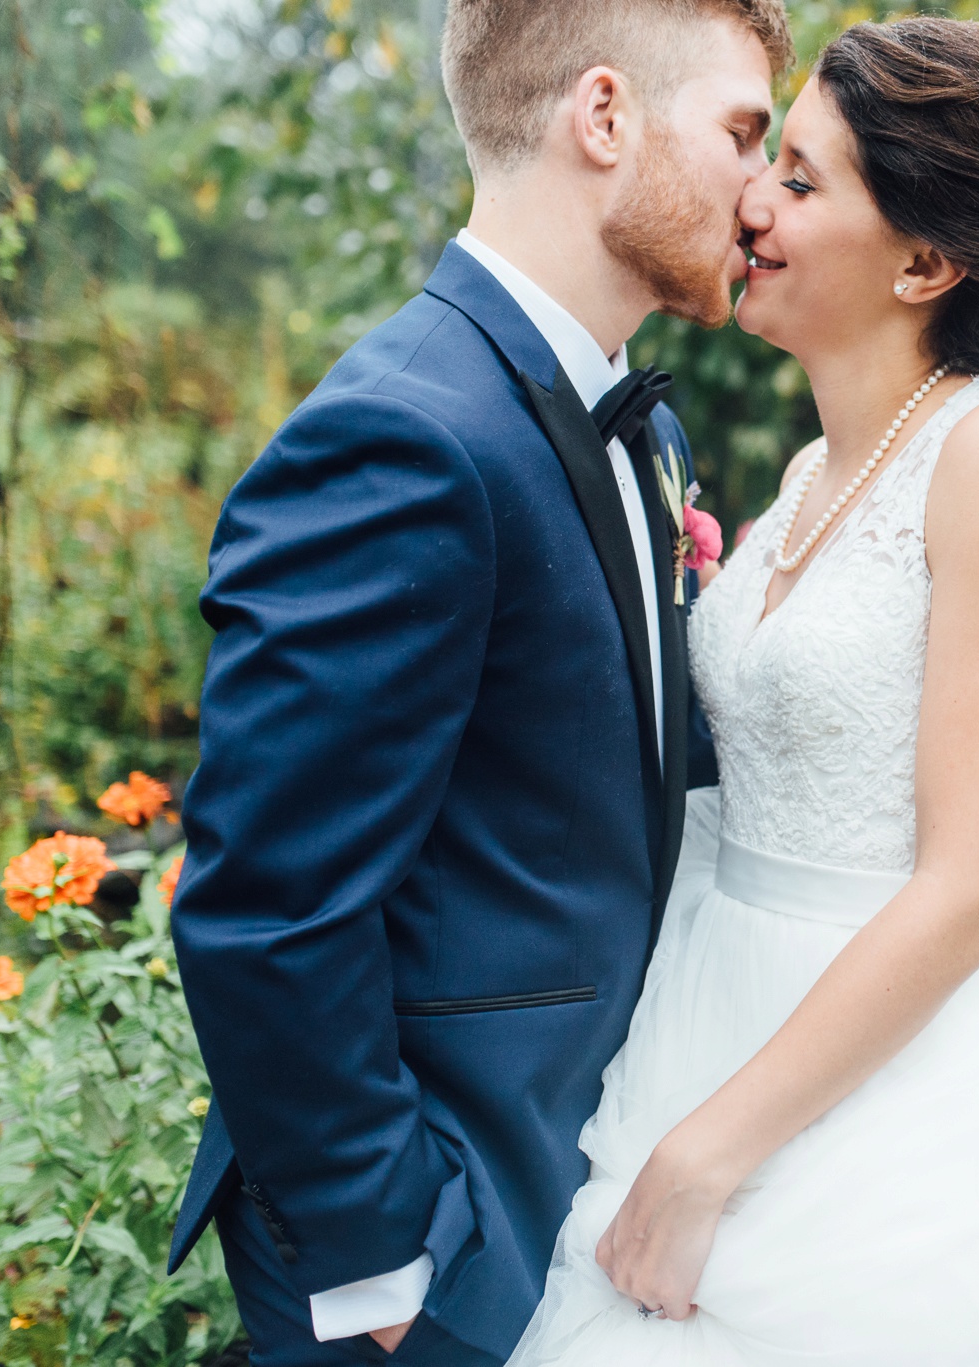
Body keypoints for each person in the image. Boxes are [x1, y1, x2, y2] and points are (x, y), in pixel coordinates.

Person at [506, 18, 979, 1364]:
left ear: (926, 261)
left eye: (803, 180)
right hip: (712, 1008)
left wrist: (708, 1160)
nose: (751, 199)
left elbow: (974, 884)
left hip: (901, 1103)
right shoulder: (818, 474)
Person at [163, 2, 791, 1363]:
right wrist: (383, 1259)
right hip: (433, 1251)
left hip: (575, 1189)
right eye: (745, 131)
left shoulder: (641, 425)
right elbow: (269, 904)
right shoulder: (403, 434)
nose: (764, 190)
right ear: (605, 116)